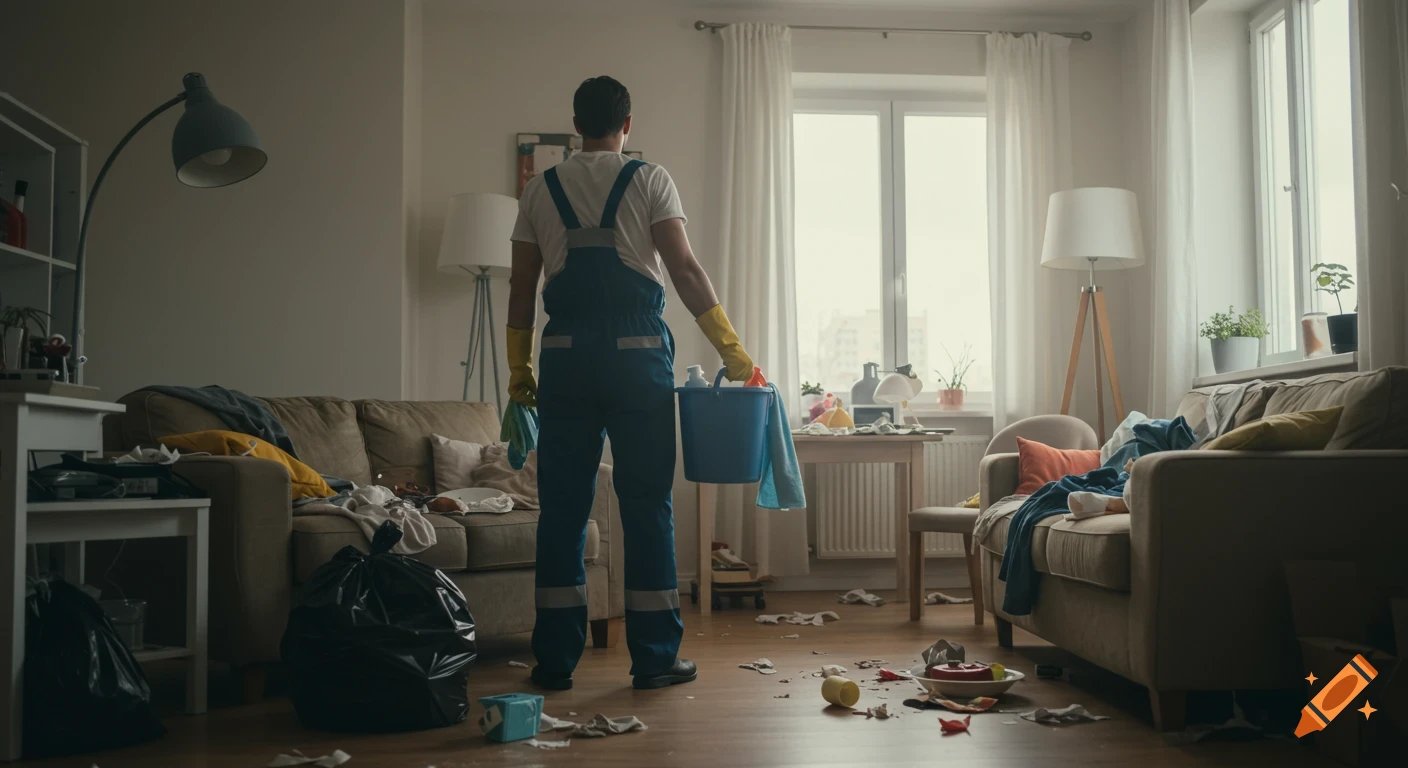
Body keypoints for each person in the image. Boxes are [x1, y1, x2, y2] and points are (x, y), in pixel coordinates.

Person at [505, 76, 753, 690]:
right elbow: (685, 268)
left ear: (575, 124)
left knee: (562, 506)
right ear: (628, 123)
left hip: (563, 354)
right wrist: (731, 348)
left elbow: (520, 286)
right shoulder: (650, 179)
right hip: (637, 356)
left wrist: (518, 367)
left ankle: (555, 662)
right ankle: (655, 658)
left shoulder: (541, 188)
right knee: (646, 502)